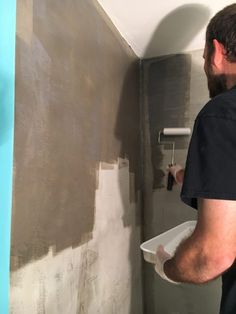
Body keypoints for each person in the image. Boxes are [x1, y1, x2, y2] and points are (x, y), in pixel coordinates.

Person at [154, 4, 236, 314]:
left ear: (217, 52)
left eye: (203, 59)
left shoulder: (222, 113)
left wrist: (169, 267)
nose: (205, 66)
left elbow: (211, 255)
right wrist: (179, 174)